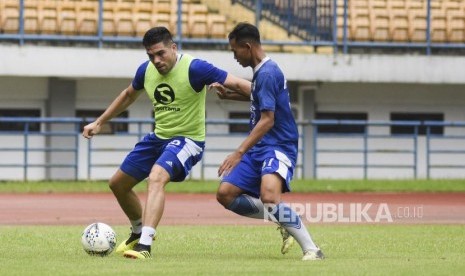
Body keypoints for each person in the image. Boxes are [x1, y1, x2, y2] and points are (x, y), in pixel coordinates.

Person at [82, 26, 251, 259]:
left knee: (156, 176)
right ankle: (138, 230)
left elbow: (243, 86)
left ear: (173, 48)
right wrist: (99, 122)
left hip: (188, 141)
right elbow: (128, 95)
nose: (156, 60)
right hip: (159, 138)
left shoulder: (196, 68)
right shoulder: (146, 71)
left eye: (161, 53)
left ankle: (145, 245)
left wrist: (274, 98)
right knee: (118, 184)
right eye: (151, 56)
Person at [212, 22, 325, 261]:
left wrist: (238, 152)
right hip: (261, 146)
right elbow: (260, 98)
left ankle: (313, 250)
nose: (234, 57)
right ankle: (282, 218)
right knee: (225, 194)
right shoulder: (263, 71)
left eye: (235, 51)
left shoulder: (268, 72)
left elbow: (268, 120)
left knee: (270, 197)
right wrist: (230, 95)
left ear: (247, 46)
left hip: (278, 145)